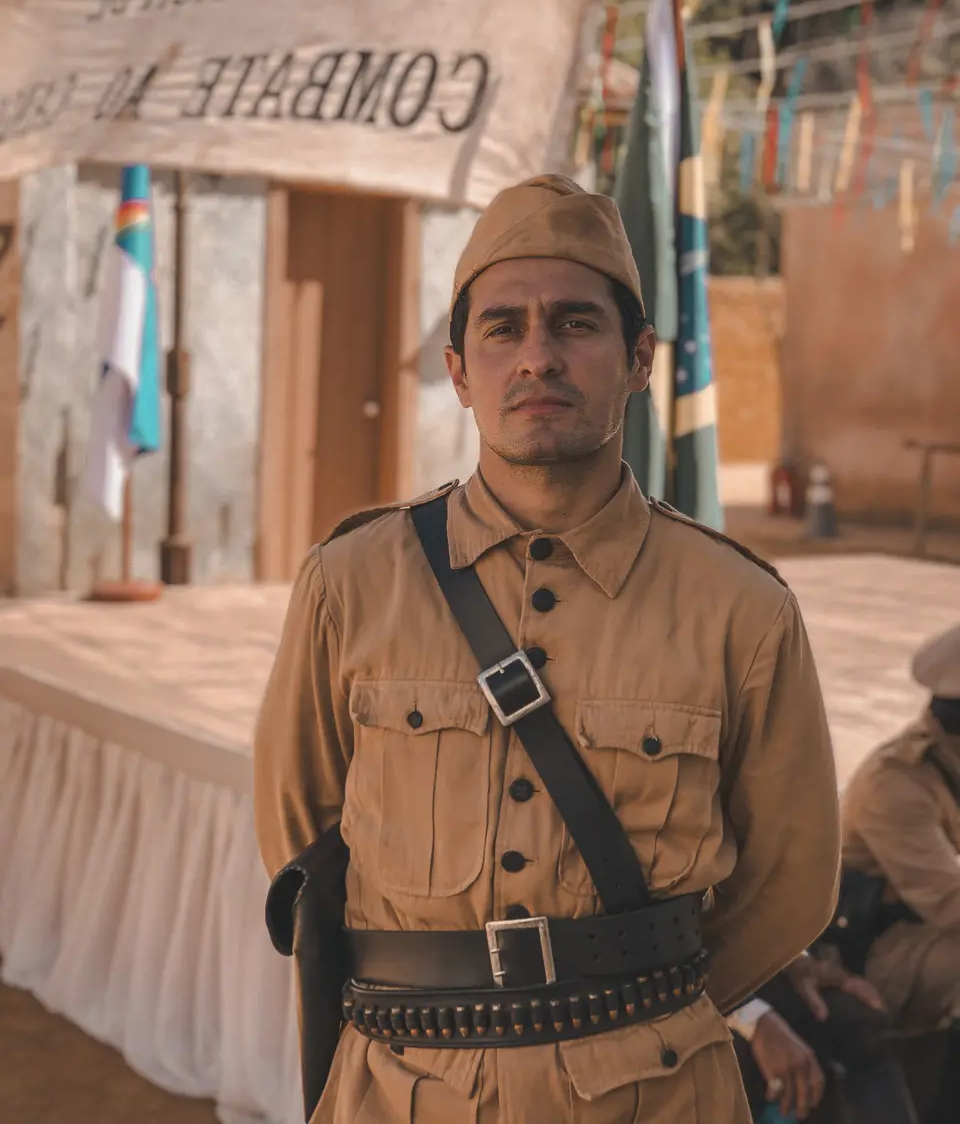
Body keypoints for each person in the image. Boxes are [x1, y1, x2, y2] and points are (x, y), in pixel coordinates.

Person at [253, 174, 840, 1124]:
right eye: (503, 328)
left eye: (575, 324)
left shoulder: (742, 609)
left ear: (639, 359)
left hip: (652, 1096)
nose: (537, 357)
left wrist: (629, 1012)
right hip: (405, 1090)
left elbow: (791, 880)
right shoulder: (351, 583)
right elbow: (306, 834)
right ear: (458, 370)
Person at [841, 623, 960, 1124]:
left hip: (924, 931)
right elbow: (949, 902)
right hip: (868, 950)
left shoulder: (949, 760)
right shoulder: (898, 780)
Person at [729, 954, 917, 1123]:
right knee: (737, 1060)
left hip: (748, 975)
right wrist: (755, 1019)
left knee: (861, 1025)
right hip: (711, 1001)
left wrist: (800, 962)